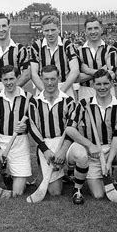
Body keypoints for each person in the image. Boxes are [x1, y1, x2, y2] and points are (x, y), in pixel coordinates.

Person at [65, 69, 117, 204]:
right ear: (93, 85)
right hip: (88, 150)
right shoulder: (83, 103)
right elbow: (70, 129)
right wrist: (90, 145)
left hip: (110, 148)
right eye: (98, 84)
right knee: (98, 195)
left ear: (112, 84)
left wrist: (109, 162)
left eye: (106, 83)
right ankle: (77, 189)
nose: (102, 87)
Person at [28, 65, 81, 201]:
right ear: (41, 79)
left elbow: (72, 128)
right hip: (46, 144)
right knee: (55, 192)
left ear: (59, 78)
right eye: (46, 79)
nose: (50, 83)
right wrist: (45, 150)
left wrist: (62, 151)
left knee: (81, 155)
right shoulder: (34, 102)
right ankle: (46, 171)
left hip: (66, 143)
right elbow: (33, 128)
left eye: (53, 79)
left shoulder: (69, 101)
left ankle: (71, 175)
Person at [0, 65, 33, 196]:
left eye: (11, 79)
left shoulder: (29, 98)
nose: (8, 83)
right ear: (1, 80)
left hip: (20, 143)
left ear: (17, 78)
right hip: (0, 141)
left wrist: (26, 127)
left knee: (18, 192)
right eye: (5, 79)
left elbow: (35, 124)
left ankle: (9, 176)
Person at [0, 13, 30, 100]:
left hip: (15, 89)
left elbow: (26, 73)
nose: (1, 29)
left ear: (9, 27)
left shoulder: (20, 49)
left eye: (4, 26)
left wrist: (11, 89)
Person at [30, 15, 80, 98]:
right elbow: (33, 73)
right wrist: (45, 93)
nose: (50, 33)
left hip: (64, 87)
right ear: (42, 30)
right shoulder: (36, 46)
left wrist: (60, 92)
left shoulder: (67, 44)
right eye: (47, 30)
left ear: (58, 29)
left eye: (53, 30)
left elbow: (75, 70)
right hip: (43, 88)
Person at [75, 16, 117, 100]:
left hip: (107, 91)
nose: (93, 32)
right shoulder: (78, 51)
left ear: (101, 29)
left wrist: (87, 71)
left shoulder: (111, 50)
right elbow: (76, 78)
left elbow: (111, 74)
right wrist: (102, 71)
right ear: (85, 31)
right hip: (85, 92)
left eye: (96, 28)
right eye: (89, 29)